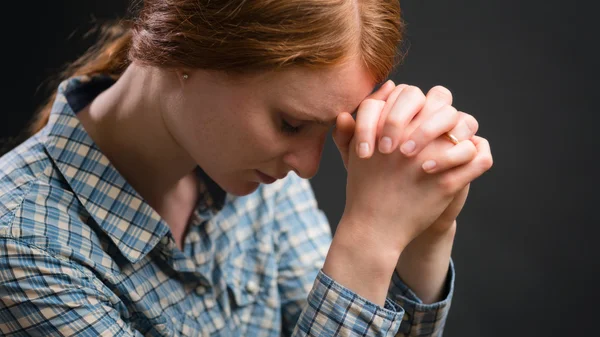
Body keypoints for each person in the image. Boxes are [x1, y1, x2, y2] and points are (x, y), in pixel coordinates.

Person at [0, 0, 492, 336]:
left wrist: (427, 234)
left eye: (330, 129)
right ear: (188, 49)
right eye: (291, 123)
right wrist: (371, 237)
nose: (308, 167)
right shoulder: (21, 243)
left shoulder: (252, 175)